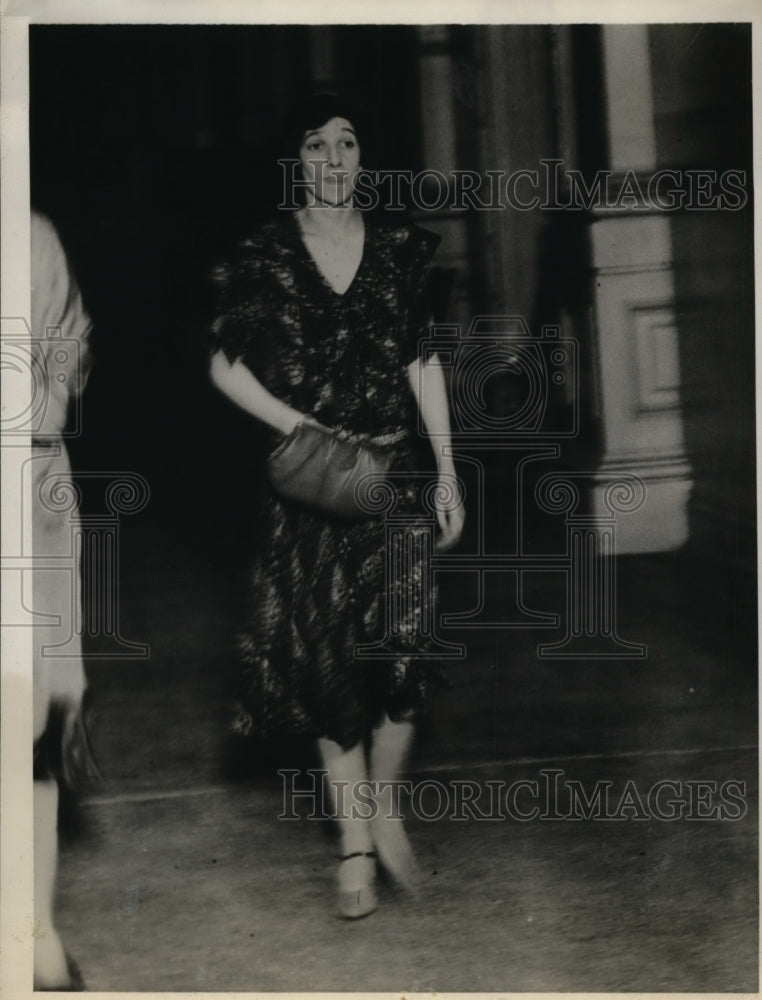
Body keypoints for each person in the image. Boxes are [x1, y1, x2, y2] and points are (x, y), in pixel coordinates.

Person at [209, 93, 464, 919]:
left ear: (364, 158)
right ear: (296, 162)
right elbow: (225, 367)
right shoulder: (265, 254)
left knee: (405, 660)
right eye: (315, 144)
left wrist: (449, 471)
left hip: (394, 477)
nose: (333, 158)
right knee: (329, 671)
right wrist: (303, 426)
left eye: (348, 142)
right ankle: (354, 843)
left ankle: (382, 803)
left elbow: (422, 362)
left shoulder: (396, 251)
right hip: (314, 487)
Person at [30, 209, 94, 988]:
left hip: (30, 488)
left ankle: (36, 928)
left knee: (38, 715)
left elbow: (70, 341)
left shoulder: (33, 234)